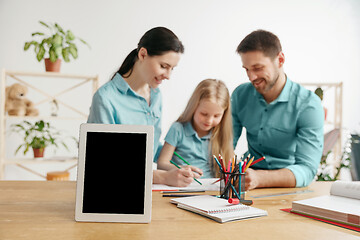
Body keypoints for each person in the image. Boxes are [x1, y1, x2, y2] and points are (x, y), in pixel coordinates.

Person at [87, 27, 195, 187]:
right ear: (143, 54)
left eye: (172, 68)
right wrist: (163, 177)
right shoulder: (106, 99)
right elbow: (105, 163)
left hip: (144, 187)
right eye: (164, 66)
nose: (168, 75)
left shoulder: (156, 95)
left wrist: (178, 165)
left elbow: (149, 148)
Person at [231, 30, 324, 190]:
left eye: (258, 68)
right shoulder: (241, 95)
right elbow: (225, 143)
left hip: (288, 188)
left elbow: (307, 169)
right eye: (246, 69)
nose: (251, 77)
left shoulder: (309, 104)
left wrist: (259, 178)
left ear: (280, 60)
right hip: (247, 184)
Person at [157, 79, 234, 178]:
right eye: (204, 114)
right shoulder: (178, 129)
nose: (209, 121)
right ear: (194, 107)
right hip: (183, 187)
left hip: (211, 189)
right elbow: (162, 164)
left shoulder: (221, 134)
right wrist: (180, 169)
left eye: (216, 116)